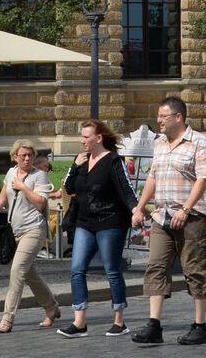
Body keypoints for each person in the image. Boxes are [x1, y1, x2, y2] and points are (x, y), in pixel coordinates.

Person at [131, 96, 206, 347]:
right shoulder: (159, 144)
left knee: (196, 270)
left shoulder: (198, 142)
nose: (158, 121)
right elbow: (153, 178)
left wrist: (186, 209)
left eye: (163, 116)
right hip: (162, 216)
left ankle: (200, 326)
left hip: (193, 217)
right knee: (156, 266)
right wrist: (139, 207)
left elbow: (204, 179)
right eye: (158, 116)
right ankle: (154, 325)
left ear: (178, 117)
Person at [62, 119, 137, 338]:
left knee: (112, 270)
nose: (82, 140)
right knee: (77, 269)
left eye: (86, 136)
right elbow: (68, 187)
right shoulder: (82, 161)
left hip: (110, 221)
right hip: (85, 223)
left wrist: (136, 209)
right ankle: (79, 321)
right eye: (82, 136)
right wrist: (75, 166)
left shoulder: (113, 160)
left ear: (98, 138)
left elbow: (126, 188)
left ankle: (119, 321)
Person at [0, 139, 59, 334]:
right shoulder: (11, 173)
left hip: (34, 230)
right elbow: (2, 198)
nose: (27, 159)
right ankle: (51, 307)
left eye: (30, 155)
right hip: (16, 230)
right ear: (15, 157)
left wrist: (24, 187)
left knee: (17, 270)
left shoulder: (40, 176)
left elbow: (41, 204)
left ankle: (7, 319)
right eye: (23, 155)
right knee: (30, 274)